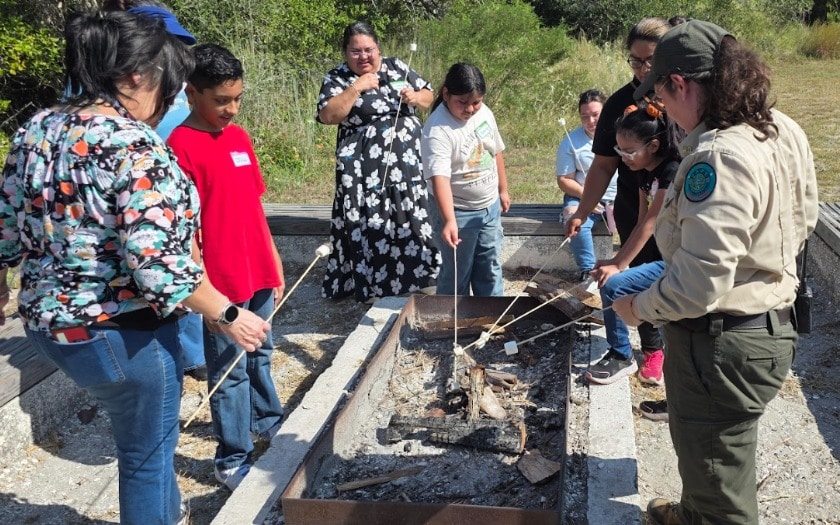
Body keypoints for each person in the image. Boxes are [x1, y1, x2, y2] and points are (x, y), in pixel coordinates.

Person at [0, 11, 270, 525]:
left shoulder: (37, 127)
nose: (164, 105)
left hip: (49, 327)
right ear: (136, 78)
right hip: (123, 334)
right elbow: (157, 264)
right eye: (165, 91)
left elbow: (5, 226)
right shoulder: (133, 144)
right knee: (146, 458)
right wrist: (230, 315)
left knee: (144, 445)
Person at [614, 20, 818, 524]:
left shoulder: (720, 156)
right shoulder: (780, 126)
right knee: (713, 454)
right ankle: (692, 511)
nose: (662, 110)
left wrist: (637, 308)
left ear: (680, 84)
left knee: (718, 474)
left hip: (722, 343)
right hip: (767, 322)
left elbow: (699, 283)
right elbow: (806, 216)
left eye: (660, 95)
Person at [167, 43, 286, 492]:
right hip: (220, 284)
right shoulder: (179, 146)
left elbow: (254, 204)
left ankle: (268, 419)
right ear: (191, 92)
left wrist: (272, 258)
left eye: (237, 98)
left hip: (256, 269)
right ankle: (232, 456)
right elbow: (184, 230)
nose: (231, 109)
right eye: (221, 100)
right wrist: (205, 290)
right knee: (230, 370)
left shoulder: (238, 138)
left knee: (263, 353)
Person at [564, 16, 677, 389]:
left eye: (651, 61)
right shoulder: (618, 104)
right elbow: (602, 166)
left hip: (681, 216)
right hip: (637, 205)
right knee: (630, 277)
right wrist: (582, 212)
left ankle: (672, 351)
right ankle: (647, 348)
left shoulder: (685, 100)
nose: (643, 69)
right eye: (635, 60)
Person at [102, 0, 207, 382]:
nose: (178, 48)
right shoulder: (116, 89)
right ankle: (180, 354)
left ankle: (193, 354)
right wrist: (228, 315)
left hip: (177, 178)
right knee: (161, 264)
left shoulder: (176, 74)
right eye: (170, 40)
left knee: (188, 259)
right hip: (141, 189)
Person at [316, 21, 440, 303]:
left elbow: (429, 94)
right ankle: (375, 283)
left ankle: (422, 276)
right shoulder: (338, 78)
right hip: (364, 171)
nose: (363, 57)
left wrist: (415, 97)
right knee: (372, 221)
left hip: (407, 167)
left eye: (368, 50)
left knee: (411, 216)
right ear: (345, 53)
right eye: (355, 52)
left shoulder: (397, 67)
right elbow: (328, 116)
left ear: (378, 48)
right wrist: (356, 88)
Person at [585, 102, 680, 388]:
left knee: (615, 285)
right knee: (609, 278)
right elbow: (639, 223)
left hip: (677, 259)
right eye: (619, 151)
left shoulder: (671, 172)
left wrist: (619, 266)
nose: (623, 158)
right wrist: (617, 260)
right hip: (654, 255)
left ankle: (623, 356)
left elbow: (652, 222)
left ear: (652, 145)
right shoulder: (643, 171)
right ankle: (622, 351)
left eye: (628, 151)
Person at [421, 63, 510, 296]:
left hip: (489, 207)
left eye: (476, 102)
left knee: (489, 267)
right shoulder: (437, 130)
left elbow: (495, 151)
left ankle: (490, 320)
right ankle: (450, 324)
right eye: (462, 102)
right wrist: (449, 220)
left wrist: (503, 189)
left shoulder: (485, 113)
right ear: (446, 94)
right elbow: (439, 179)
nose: (470, 109)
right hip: (458, 211)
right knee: (458, 271)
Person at [556, 89, 618, 280]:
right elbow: (564, 180)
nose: (591, 121)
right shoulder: (570, 142)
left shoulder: (621, 134)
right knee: (573, 218)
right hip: (582, 195)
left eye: (595, 115)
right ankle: (588, 271)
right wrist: (588, 198)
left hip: (617, 196)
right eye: (585, 116)